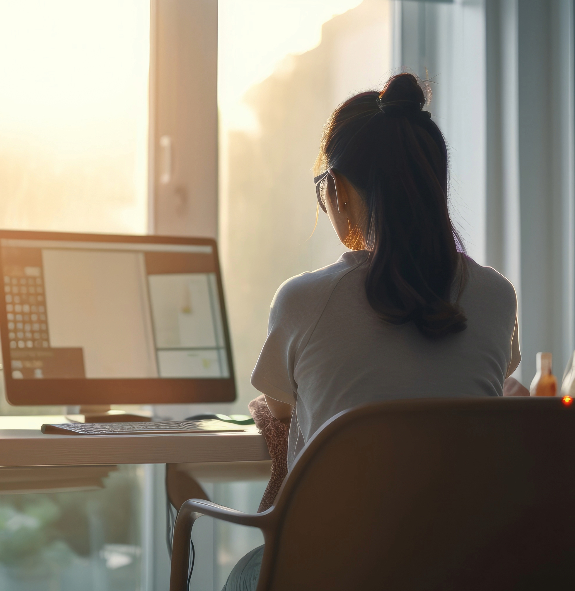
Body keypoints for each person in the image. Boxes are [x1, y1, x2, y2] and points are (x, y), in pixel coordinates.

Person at [222, 73, 520, 591]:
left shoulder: (303, 301)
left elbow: (281, 413)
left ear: (336, 189)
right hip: (465, 571)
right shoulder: (497, 298)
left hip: (332, 573)